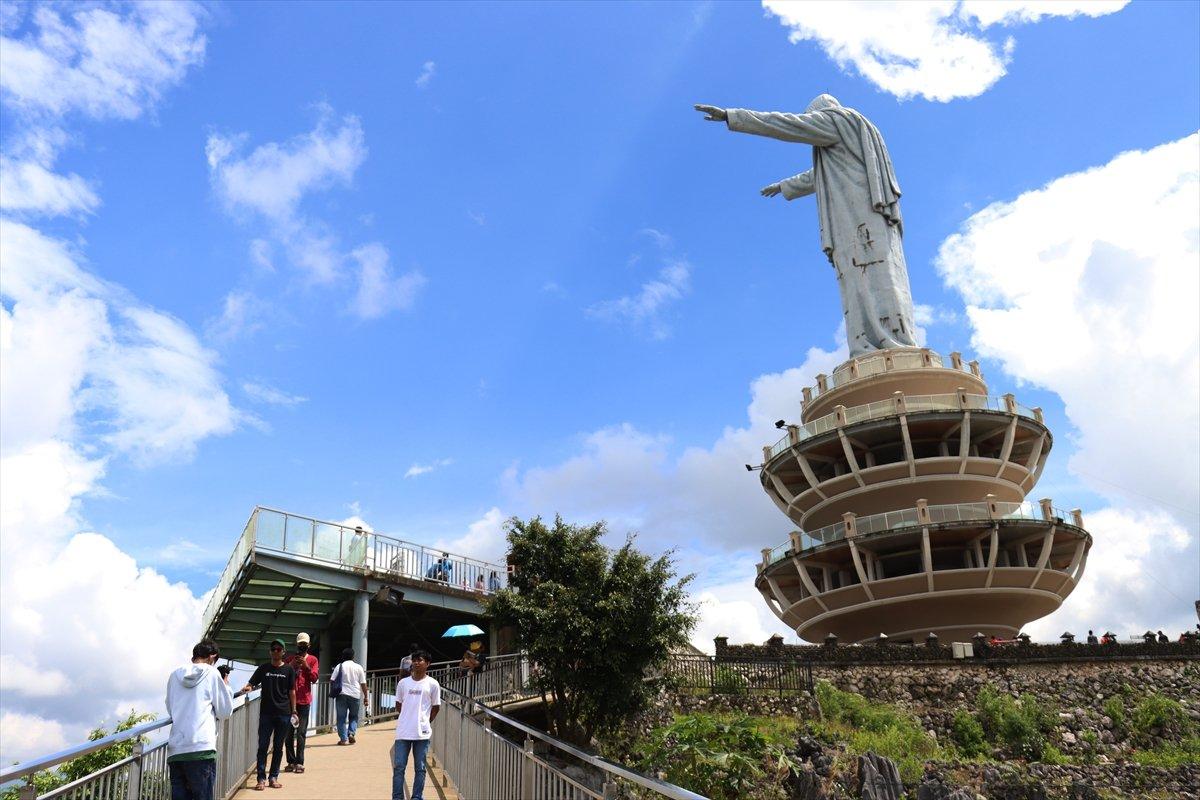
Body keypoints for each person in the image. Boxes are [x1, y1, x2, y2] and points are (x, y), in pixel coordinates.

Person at [695, 95, 917, 356]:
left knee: (870, 278)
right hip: (865, 219)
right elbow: (820, 175)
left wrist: (732, 116)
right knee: (870, 279)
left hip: (858, 219)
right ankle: (887, 340)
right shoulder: (856, 131)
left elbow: (786, 124)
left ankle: (884, 343)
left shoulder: (838, 121)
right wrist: (785, 186)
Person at [165, 640, 234, 800]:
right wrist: (226, 688)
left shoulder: (174, 675)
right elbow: (225, 712)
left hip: (176, 750)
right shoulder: (211, 673)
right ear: (213, 657)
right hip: (201, 748)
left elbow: (170, 708)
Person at [241, 640, 297, 790]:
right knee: (263, 747)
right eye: (273, 649)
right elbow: (252, 683)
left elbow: (292, 692)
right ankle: (261, 779)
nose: (276, 651)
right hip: (266, 713)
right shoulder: (263, 668)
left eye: (279, 649)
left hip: (284, 713)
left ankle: (273, 777)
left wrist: (294, 710)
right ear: (270, 651)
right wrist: (248, 687)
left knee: (278, 747)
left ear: (284, 652)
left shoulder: (289, 670)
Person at [392, 650, 441, 800]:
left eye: (420, 660)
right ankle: (397, 797)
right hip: (403, 732)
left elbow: (436, 706)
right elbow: (398, 705)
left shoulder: (433, 684)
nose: (416, 662)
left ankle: (417, 797)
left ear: (428, 664)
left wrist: (425, 720)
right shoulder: (403, 683)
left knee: (420, 768)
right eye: (414, 660)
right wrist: (408, 717)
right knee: (399, 767)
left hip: (422, 733)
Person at [283, 633, 319, 774]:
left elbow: (314, 678)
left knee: (301, 733)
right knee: (288, 734)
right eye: (300, 644)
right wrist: (291, 665)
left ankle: (299, 762)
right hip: (289, 701)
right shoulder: (289, 659)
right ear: (297, 645)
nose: (302, 646)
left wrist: (306, 666)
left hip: (304, 701)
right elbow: (283, 675)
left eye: (304, 644)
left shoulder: (313, 660)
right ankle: (291, 762)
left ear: (308, 645)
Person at [332, 647, 369, 745]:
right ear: (353, 656)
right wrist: (366, 697)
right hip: (355, 695)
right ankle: (351, 733)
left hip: (341, 695)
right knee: (353, 716)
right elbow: (363, 684)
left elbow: (332, 680)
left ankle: (343, 739)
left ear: (343, 657)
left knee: (341, 718)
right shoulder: (358, 667)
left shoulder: (339, 666)